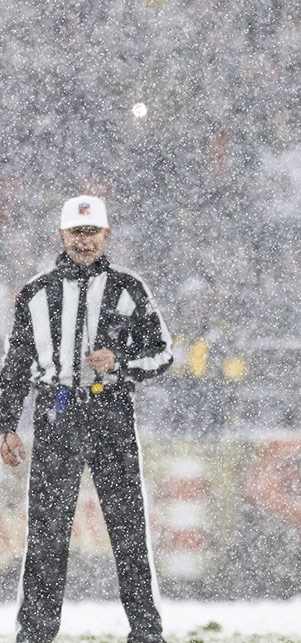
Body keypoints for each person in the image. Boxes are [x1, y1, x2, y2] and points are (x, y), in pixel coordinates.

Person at [0, 196, 173, 643]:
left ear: (106, 235)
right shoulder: (35, 293)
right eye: (76, 232)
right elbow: (15, 365)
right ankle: (35, 635)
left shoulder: (130, 288)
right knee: (46, 533)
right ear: (61, 235)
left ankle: (146, 633)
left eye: (92, 231)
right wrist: (6, 422)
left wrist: (120, 362)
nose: (84, 240)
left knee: (128, 528)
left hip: (110, 411)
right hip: (57, 412)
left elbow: (163, 353)